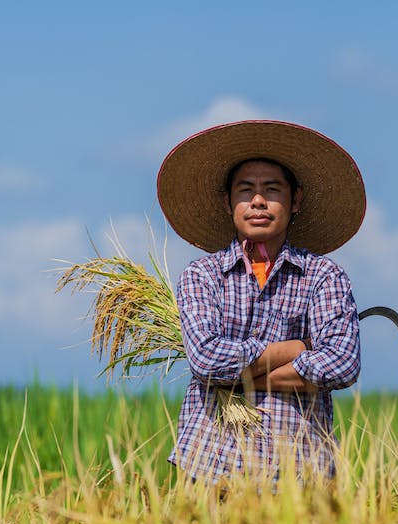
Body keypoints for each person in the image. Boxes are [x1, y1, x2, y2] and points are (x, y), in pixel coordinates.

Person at [156, 120, 366, 483]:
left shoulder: (323, 276)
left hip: (300, 468)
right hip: (210, 463)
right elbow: (206, 360)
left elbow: (342, 364)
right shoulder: (202, 276)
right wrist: (296, 348)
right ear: (227, 202)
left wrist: (235, 378)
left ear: (295, 200)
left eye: (271, 189)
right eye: (246, 190)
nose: (257, 201)